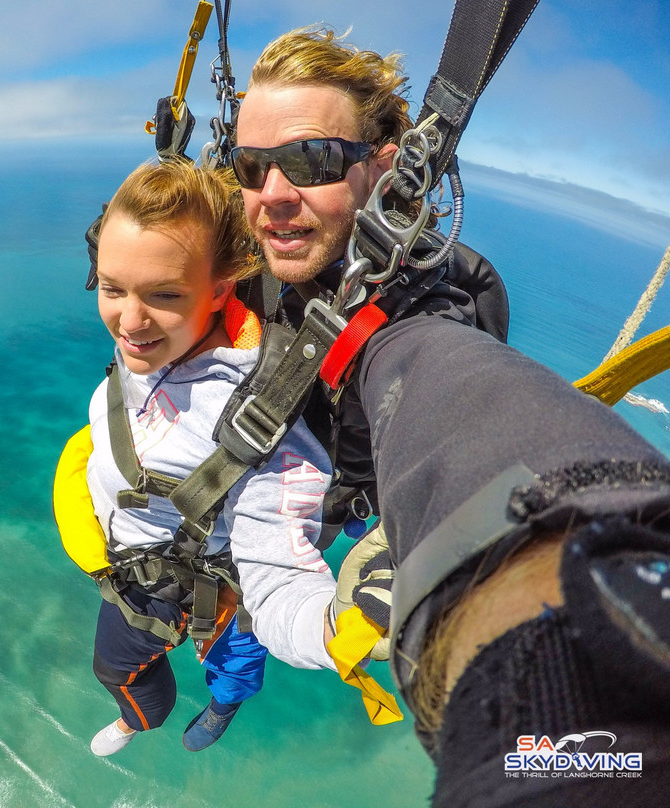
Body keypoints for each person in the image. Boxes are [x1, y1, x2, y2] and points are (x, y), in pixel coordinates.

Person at [227, 25, 669, 804]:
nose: (271, 196)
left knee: (240, 639)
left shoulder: (413, 325)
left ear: (385, 171)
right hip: (283, 508)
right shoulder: (261, 254)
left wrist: (566, 722)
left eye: (309, 161)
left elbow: (446, 387)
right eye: (250, 166)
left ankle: (230, 687)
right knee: (225, 630)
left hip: (359, 499)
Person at [63, 158, 341, 757]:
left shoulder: (253, 418)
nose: (129, 322)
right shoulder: (161, 338)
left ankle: (223, 706)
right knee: (115, 671)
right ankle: (142, 719)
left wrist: (338, 630)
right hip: (133, 568)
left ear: (220, 290)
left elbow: (282, 575)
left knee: (236, 663)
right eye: (111, 288)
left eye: (162, 295)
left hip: (209, 580)